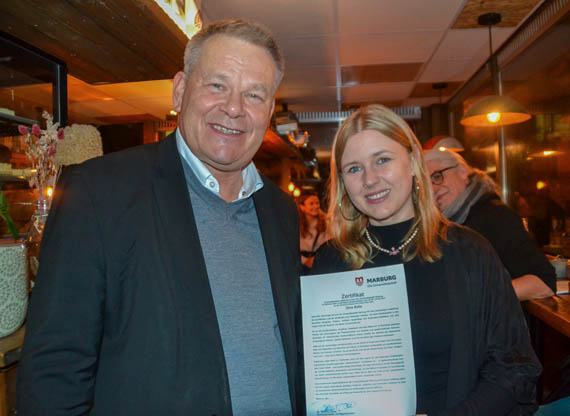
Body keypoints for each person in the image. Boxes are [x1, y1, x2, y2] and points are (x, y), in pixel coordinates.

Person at [17, 19, 303, 415]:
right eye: (217, 85)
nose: (234, 108)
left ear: (269, 111)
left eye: (254, 95)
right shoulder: (99, 193)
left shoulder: (280, 210)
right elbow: (54, 372)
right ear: (181, 90)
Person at [312, 104, 541, 415]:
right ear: (343, 182)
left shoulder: (469, 252)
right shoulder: (331, 262)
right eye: (354, 168)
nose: (370, 179)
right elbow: (321, 374)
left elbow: (514, 367)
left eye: (382, 160)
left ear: (412, 163)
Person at [423, 147, 556, 300]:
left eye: (437, 176)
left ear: (462, 171)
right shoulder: (446, 224)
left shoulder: (495, 216)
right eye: (426, 185)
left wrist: (474, 298)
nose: (433, 189)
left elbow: (543, 282)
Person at [297, 192, 328, 270]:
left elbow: (329, 247)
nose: (316, 206)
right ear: (302, 207)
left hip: (320, 264)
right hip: (301, 265)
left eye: (317, 203)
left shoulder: (326, 224)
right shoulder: (296, 225)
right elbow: (291, 248)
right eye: (311, 204)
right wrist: (304, 261)